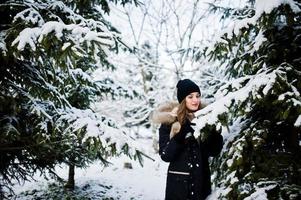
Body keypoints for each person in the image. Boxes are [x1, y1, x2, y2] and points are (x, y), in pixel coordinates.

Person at [152, 79, 223, 200]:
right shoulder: (169, 123)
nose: (195, 100)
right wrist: (180, 136)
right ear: (183, 99)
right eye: (190, 97)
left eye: (197, 96)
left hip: (202, 185)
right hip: (178, 187)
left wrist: (213, 134)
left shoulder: (206, 119)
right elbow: (165, 155)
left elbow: (214, 151)